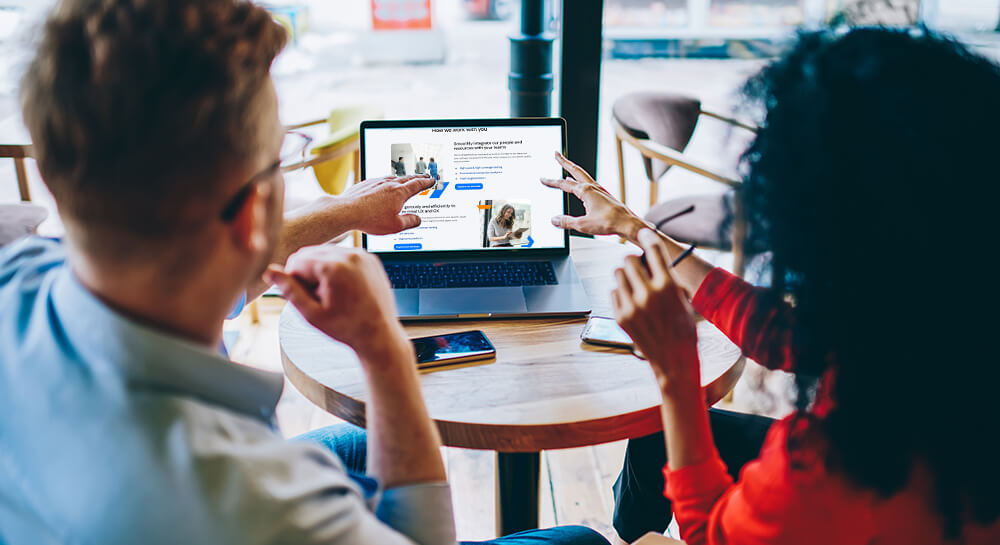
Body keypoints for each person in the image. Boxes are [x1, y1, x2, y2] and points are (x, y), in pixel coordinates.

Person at [0, 2, 609, 545]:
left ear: (56, 181)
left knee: (361, 444)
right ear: (254, 213)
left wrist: (343, 210)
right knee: (583, 539)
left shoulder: (16, 272)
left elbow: (186, 243)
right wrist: (385, 352)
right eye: (280, 161)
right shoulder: (263, 509)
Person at [540, 28, 1000, 545]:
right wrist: (635, 228)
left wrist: (676, 374)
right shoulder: (937, 304)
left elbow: (712, 532)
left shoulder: (832, 466)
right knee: (653, 443)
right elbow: (790, 336)